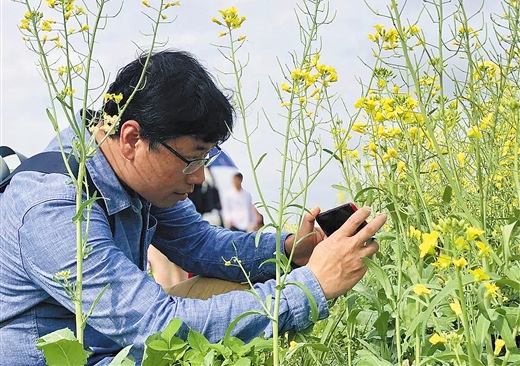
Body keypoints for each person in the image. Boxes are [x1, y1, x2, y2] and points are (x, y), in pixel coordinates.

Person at [0, 50, 386, 365]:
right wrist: (313, 286)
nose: (200, 177)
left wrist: (287, 250)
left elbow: (199, 245)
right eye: (193, 159)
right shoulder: (53, 207)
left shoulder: (125, 167)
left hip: (115, 344)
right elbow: (156, 326)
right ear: (132, 138)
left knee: (236, 292)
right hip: (79, 356)